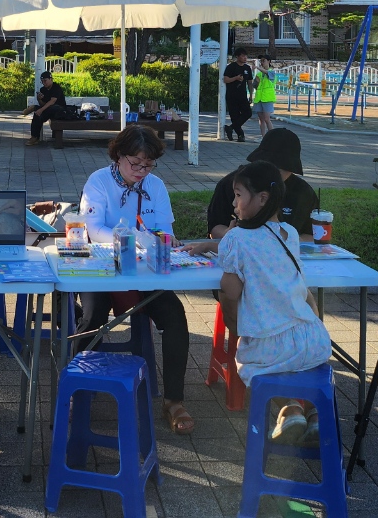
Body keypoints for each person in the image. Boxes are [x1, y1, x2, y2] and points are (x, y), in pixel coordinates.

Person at [79, 125, 195, 435]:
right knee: (92, 315)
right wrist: (135, 239)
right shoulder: (98, 182)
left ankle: (174, 399)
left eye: (148, 165)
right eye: (136, 163)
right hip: (103, 269)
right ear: (118, 156)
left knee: (175, 315)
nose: (142, 171)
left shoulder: (154, 185)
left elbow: (166, 231)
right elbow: (93, 231)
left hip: (143, 271)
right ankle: (79, 384)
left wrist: (162, 241)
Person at [217, 161, 331, 446]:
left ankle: (289, 409)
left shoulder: (235, 238)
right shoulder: (290, 233)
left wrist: (237, 332)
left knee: (247, 364)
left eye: (239, 195)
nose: (234, 202)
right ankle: (315, 413)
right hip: (313, 340)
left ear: (262, 199)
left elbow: (230, 294)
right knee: (296, 368)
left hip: (270, 346)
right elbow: (302, 289)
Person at [207, 128, 319, 242]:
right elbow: (214, 227)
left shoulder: (304, 193)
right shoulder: (233, 183)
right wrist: (230, 234)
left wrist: (288, 240)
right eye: (268, 165)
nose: (272, 173)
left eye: (280, 169)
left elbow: (313, 235)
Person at [222, 48, 254, 142]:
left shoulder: (247, 68)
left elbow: (250, 83)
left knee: (248, 113)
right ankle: (240, 135)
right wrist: (235, 78)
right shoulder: (231, 67)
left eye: (246, 56)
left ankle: (230, 128)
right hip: (232, 96)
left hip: (242, 95)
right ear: (237, 56)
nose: (245, 58)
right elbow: (226, 80)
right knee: (234, 116)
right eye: (243, 56)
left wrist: (251, 95)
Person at [28, 70, 67, 145]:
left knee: (51, 108)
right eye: (42, 81)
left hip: (59, 111)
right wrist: (39, 99)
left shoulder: (56, 87)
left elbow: (52, 101)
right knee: (37, 115)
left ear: (51, 79)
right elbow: (43, 104)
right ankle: (34, 137)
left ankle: (34, 108)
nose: (44, 83)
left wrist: (41, 109)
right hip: (48, 111)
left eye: (45, 81)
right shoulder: (43, 90)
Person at [253, 57, 277, 137]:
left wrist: (257, 67)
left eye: (264, 61)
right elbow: (255, 85)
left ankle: (272, 137)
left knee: (267, 119)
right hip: (259, 98)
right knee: (261, 119)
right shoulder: (259, 74)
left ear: (269, 61)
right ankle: (263, 137)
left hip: (267, 98)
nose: (262, 62)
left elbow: (267, 73)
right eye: (261, 61)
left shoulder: (271, 72)